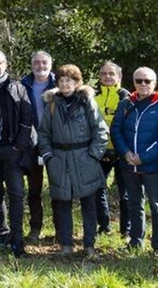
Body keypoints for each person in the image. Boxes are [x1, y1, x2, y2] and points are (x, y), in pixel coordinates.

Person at [38, 63, 108, 258]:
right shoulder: (52, 104)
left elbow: (101, 130)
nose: (65, 84)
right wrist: (49, 157)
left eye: (69, 80)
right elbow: (43, 134)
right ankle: (66, 244)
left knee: (89, 204)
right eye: (61, 80)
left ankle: (89, 245)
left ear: (77, 82)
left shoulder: (87, 102)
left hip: (85, 158)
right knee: (62, 204)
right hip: (59, 160)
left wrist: (93, 154)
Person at [0, 48, 35, 257]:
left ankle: (17, 239)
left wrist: (19, 145)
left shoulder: (18, 88)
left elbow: (27, 118)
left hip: (13, 149)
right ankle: (2, 234)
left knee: (16, 193)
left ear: (6, 65)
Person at [111, 66, 158, 254]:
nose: (143, 84)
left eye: (148, 81)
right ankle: (135, 241)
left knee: (157, 205)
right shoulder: (126, 104)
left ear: (154, 83)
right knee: (134, 203)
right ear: (134, 82)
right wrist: (126, 153)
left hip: (153, 165)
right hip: (129, 164)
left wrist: (143, 158)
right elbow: (116, 130)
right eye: (139, 81)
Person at [21, 50, 54, 243]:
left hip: (56, 143)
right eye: (37, 63)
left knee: (59, 188)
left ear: (50, 64)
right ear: (31, 64)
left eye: (44, 63)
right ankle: (35, 227)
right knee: (34, 189)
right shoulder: (23, 85)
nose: (40, 66)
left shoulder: (59, 83)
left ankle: (61, 230)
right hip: (31, 144)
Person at [94, 60, 123, 236]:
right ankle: (104, 226)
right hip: (99, 150)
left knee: (125, 192)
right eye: (104, 74)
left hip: (121, 151)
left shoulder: (127, 96)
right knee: (98, 189)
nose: (107, 77)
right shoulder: (92, 96)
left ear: (119, 76)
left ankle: (126, 229)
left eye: (111, 73)